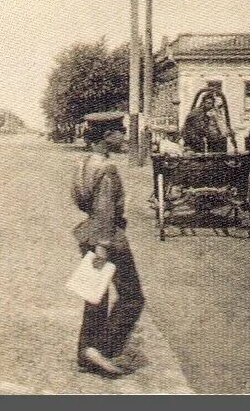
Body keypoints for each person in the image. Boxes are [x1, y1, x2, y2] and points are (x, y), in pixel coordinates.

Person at [72, 114, 146, 378]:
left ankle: (85, 351)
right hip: (108, 238)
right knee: (132, 298)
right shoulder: (106, 168)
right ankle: (101, 349)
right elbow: (105, 209)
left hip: (88, 233)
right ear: (107, 136)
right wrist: (103, 247)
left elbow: (81, 201)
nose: (124, 137)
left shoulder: (84, 163)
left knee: (95, 297)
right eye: (120, 132)